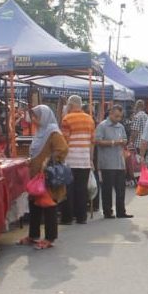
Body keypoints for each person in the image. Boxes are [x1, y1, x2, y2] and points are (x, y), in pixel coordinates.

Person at [24, 105, 67, 249]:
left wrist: (48, 160)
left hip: (48, 177)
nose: (33, 119)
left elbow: (62, 149)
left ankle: (50, 238)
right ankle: (33, 235)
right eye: (33, 116)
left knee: (48, 206)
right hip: (36, 176)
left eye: (36, 116)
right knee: (34, 204)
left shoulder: (53, 132)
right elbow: (36, 152)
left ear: (44, 116)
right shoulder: (40, 132)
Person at [60, 95, 95, 225]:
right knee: (82, 189)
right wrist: (90, 159)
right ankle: (82, 217)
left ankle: (67, 218)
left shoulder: (67, 119)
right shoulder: (90, 119)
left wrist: (61, 158)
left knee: (68, 189)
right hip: (84, 160)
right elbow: (92, 142)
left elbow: (64, 141)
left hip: (70, 160)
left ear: (71, 105)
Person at [95, 104, 132, 219]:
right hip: (107, 162)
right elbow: (98, 141)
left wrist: (124, 142)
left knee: (121, 189)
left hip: (120, 162)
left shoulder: (120, 126)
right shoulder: (102, 126)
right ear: (110, 113)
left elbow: (125, 139)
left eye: (120, 117)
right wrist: (114, 142)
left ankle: (121, 211)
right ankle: (108, 211)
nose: (118, 119)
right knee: (107, 189)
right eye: (116, 116)